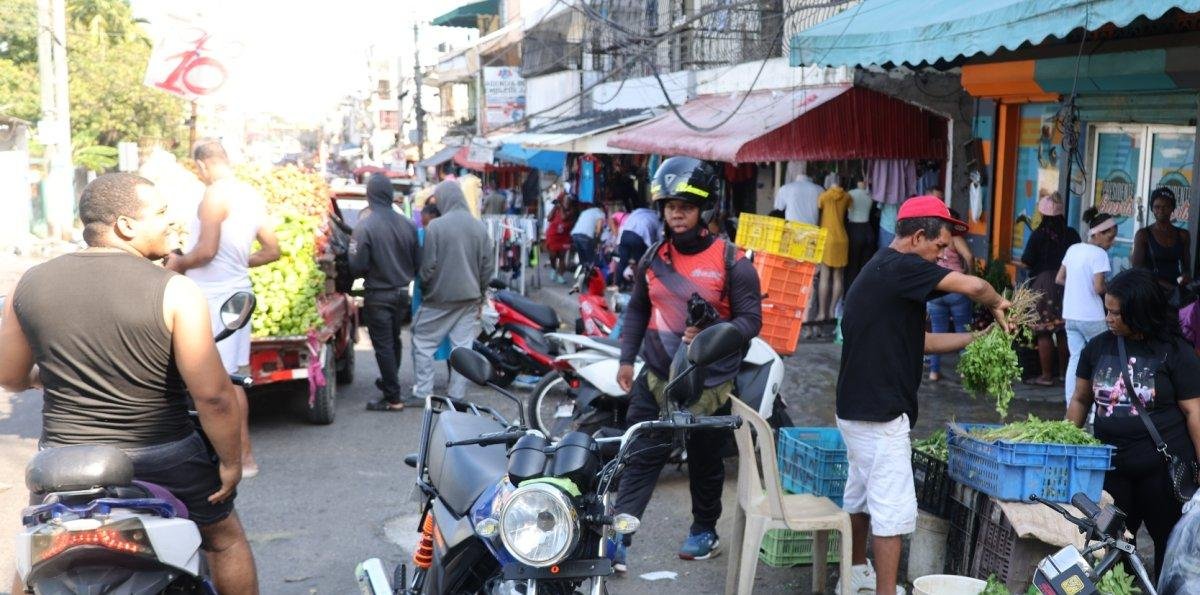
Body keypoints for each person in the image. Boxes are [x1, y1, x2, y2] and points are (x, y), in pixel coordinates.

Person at [0, 173, 259, 595]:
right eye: (159, 213)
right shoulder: (176, 290)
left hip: (65, 460)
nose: (171, 222)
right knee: (224, 539)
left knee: (35, 555)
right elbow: (213, 396)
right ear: (124, 226)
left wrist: (45, 376)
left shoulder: (29, 283)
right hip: (163, 455)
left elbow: (8, 376)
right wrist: (230, 464)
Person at [836, 196, 1010, 595]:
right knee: (893, 514)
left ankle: (855, 574)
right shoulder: (901, 267)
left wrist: (977, 338)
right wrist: (1002, 304)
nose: (944, 254)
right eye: (940, 246)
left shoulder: (886, 270)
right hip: (879, 415)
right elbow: (976, 286)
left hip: (857, 409)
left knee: (861, 497)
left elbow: (924, 341)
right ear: (917, 237)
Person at [613, 157, 763, 572]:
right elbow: (637, 312)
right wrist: (627, 359)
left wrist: (711, 335)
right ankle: (620, 538)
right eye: (669, 205)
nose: (675, 213)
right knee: (640, 456)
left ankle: (704, 531)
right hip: (657, 376)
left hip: (709, 382)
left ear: (704, 210)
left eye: (686, 205)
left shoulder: (734, 262)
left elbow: (751, 321)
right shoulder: (651, 258)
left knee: (704, 461)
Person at [1067, 268, 1200, 576]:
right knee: (1111, 548)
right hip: (1111, 472)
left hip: (1163, 473)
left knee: (1170, 548)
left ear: (1140, 313)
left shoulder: (1175, 352)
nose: (1109, 319)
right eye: (1107, 311)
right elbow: (1080, 400)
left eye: (1116, 313)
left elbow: (1195, 411)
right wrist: (1065, 445)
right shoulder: (1097, 347)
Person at [165, 139, 279, 478]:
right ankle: (241, 457)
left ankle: (242, 460)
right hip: (237, 292)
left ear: (201, 165)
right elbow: (272, 250)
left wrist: (178, 264)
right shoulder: (250, 195)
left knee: (221, 383)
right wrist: (238, 262)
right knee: (234, 377)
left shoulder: (214, 196)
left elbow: (206, 251)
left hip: (215, 297)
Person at [411, 181, 495, 400]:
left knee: (423, 343)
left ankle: (424, 392)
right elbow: (487, 268)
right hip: (469, 299)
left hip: (439, 299)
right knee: (462, 348)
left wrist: (426, 289)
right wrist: (481, 295)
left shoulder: (436, 227)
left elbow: (428, 268)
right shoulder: (479, 227)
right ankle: (456, 395)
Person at [350, 173, 420, 411]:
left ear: (369, 196)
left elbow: (356, 266)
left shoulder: (365, 226)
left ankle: (393, 396)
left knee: (383, 345)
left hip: (378, 294)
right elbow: (418, 262)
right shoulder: (409, 225)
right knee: (394, 340)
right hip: (402, 294)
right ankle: (391, 385)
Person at [1058, 207, 1118, 406]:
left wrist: (1077, 285)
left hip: (1071, 315)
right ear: (1098, 233)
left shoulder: (1073, 249)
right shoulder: (1099, 254)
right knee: (1105, 360)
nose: (1112, 242)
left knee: (1075, 359)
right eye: (1110, 238)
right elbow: (1099, 287)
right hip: (1092, 317)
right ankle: (1099, 409)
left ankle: (1070, 405)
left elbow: (1060, 278)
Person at [1021, 193, 1080, 386]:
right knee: (1063, 330)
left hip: (1044, 283)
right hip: (1067, 283)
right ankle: (1064, 374)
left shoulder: (1038, 235)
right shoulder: (1071, 234)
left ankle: (1046, 376)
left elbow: (1027, 260)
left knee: (1044, 331)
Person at [924, 208, 976, 382]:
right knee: (962, 330)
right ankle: (964, 372)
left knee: (937, 332)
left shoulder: (930, 238)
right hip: (956, 288)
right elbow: (968, 256)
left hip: (935, 289)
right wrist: (970, 276)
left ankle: (933, 372)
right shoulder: (954, 238)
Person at [1132, 186, 1192, 296]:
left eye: (1166, 206)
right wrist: (1166, 285)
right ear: (1152, 209)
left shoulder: (1183, 235)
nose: (1161, 210)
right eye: (1157, 207)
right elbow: (1137, 270)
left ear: (1173, 208)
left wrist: (1185, 277)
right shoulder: (1143, 235)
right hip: (1150, 291)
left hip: (1175, 292)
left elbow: (1186, 268)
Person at [816, 181, 851, 323]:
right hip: (842, 238)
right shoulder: (847, 196)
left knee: (824, 277)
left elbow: (819, 207)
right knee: (838, 277)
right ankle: (832, 311)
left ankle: (821, 313)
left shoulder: (824, 196)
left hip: (827, 238)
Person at [615, 205, 661, 291]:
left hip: (625, 234)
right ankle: (641, 287)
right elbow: (659, 240)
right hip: (639, 237)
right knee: (641, 263)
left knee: (622, 261)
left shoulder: (638, 211)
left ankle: (618, 284)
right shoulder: (656, 218)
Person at [846, 178, 875, 288]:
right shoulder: (871, 194)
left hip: (854, 228)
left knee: (853, 265)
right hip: (868, 229)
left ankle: (850, 293)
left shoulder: (850, 194)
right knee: (865, 266)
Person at [545, 194, 575, 284]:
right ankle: (554, 268)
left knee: (562, 256)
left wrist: (560, 207)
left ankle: (560, 275)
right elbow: (549, 218)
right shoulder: (557, 209)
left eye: (568, 201)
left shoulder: (571, 211)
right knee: (552, 256)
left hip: (564, 237)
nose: (566, 203)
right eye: (565, 201)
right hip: (553, 236)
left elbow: (563, 217)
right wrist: (555, 207)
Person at [570, 202, 606, 271]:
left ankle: (582, 275)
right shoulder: (600, 213)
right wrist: (598, 241)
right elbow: (598, 230)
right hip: (585, 237)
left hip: (575, 235)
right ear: (601, 208)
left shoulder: (585, 212)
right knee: (591, 260)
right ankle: (589, 276)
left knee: (583, 260)